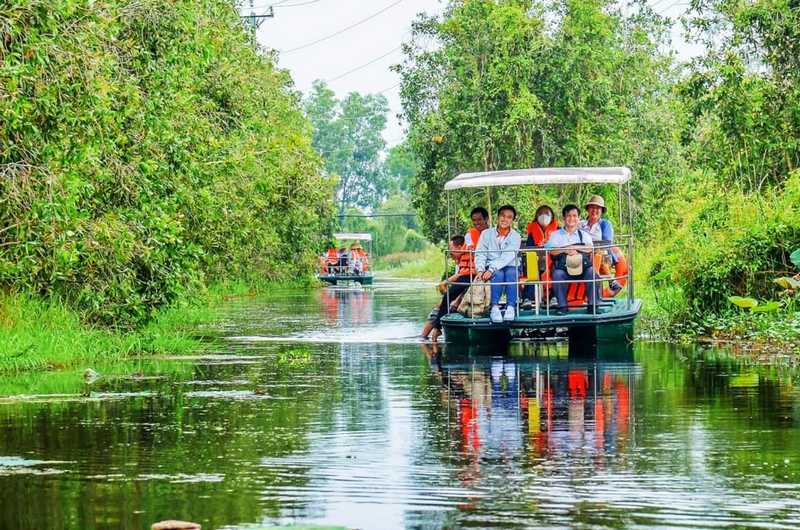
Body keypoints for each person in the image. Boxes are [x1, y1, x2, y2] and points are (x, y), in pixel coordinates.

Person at [421, 235, 475, 341]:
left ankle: (429, 334)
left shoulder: (469, 253)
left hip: (465, 293)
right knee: (440, 305)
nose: (450, 252)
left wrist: (455, 299)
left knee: (439, 308)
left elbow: (466, 276)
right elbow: (461, 275)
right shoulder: (460, 260)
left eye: (452, 249)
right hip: (461, 291)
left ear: (460, 247)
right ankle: (426, 336)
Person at [547, 204, 598, 314]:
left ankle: (592, 305)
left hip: (581, 267)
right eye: (568, 216)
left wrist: (576, 248)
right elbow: (551, 251)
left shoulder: (584, 235)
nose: (572, 219)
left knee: (592, 272)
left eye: (574, 216)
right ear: (564, 218)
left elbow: (590, 248)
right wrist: (565, 249)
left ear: (578, 218)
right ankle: (562, 306)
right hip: (563, 268)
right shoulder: (555, 235)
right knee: (557, 274)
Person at [475, 205, 522, 323]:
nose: (505, 219)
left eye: (509, 217)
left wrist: (491, 269)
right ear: (497, 217)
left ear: (512, 220)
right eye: (502, 216)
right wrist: (480, 270)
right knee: (498, 274)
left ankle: (511, 307)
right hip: (492, 266)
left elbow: (508, 256)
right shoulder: (486, 234)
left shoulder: (516, 236)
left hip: (510, 264)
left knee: (511, 273)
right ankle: (494, 307)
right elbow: (480, 253)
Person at [521, 205, 559, 308]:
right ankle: (527, 298)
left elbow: (560, 246)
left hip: (552, 260)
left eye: (547, 214)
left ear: (552, 216)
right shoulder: (532, 232)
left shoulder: (558, 230)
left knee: (556, 270)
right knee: (532, 269)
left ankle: (553, 297)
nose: (543, 216)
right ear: (537, 216)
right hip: (536, 260)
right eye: (541, 213)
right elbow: (529, 249)